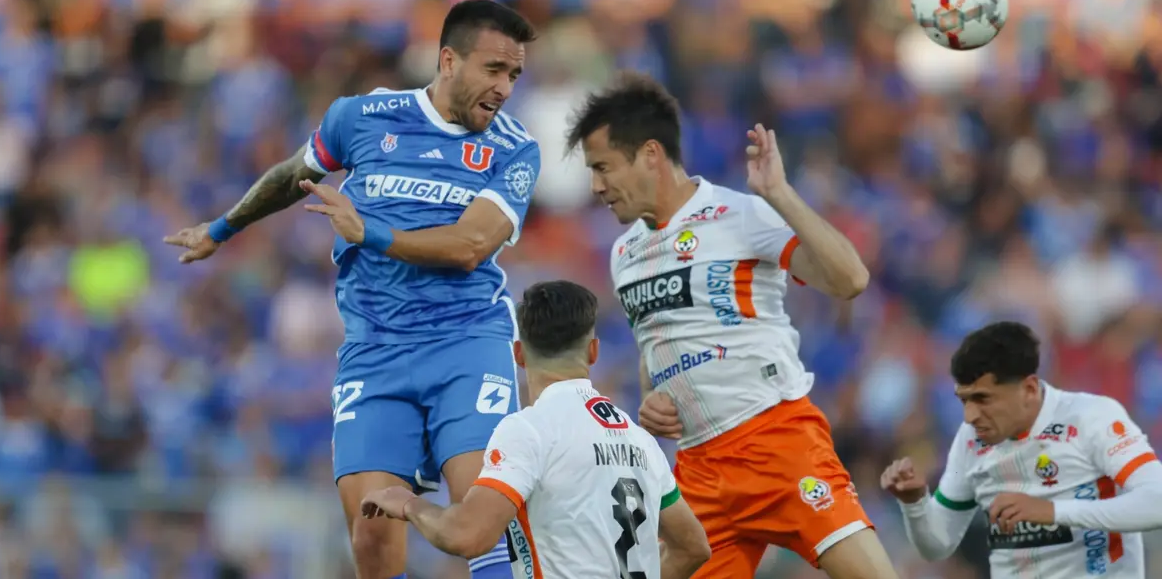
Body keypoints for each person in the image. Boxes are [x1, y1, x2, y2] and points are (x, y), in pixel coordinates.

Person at [163, 0, 541, 579]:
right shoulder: (363, 117)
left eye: (514, 74)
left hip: (466, 344)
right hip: (376, 351)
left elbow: (470, 247)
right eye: (494, 69)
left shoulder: (515, 148)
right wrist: (222, 228)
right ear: (448, 60)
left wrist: (371, 231)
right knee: (371, 536)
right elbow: (296, 175)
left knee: (481, 523)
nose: (506, 87)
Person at [566, 72, 899, 579]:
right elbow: (652, 344)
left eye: (603, 168)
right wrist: (651, 398)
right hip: (698, 468)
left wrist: (780, 194)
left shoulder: (739, 214)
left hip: (775, 441)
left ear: (650, 154)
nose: (596, 186)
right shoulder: (623, 253)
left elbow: (851, 278)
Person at [360, 280, 712, 579]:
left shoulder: (530, 430)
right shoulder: (641, 441)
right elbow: (692, 548)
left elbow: (467, 535)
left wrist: (407, 504)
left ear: (518, 354)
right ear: (593, 351)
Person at [881, 321, 1162, 578]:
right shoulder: (970, 441)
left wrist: (1053, 511)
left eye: (982, 399)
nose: (969, 416)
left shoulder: (1091, 418)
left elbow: (1157, 502)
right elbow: (938, 546)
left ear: (1028, 388)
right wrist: (915, 504)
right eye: (964, 400)